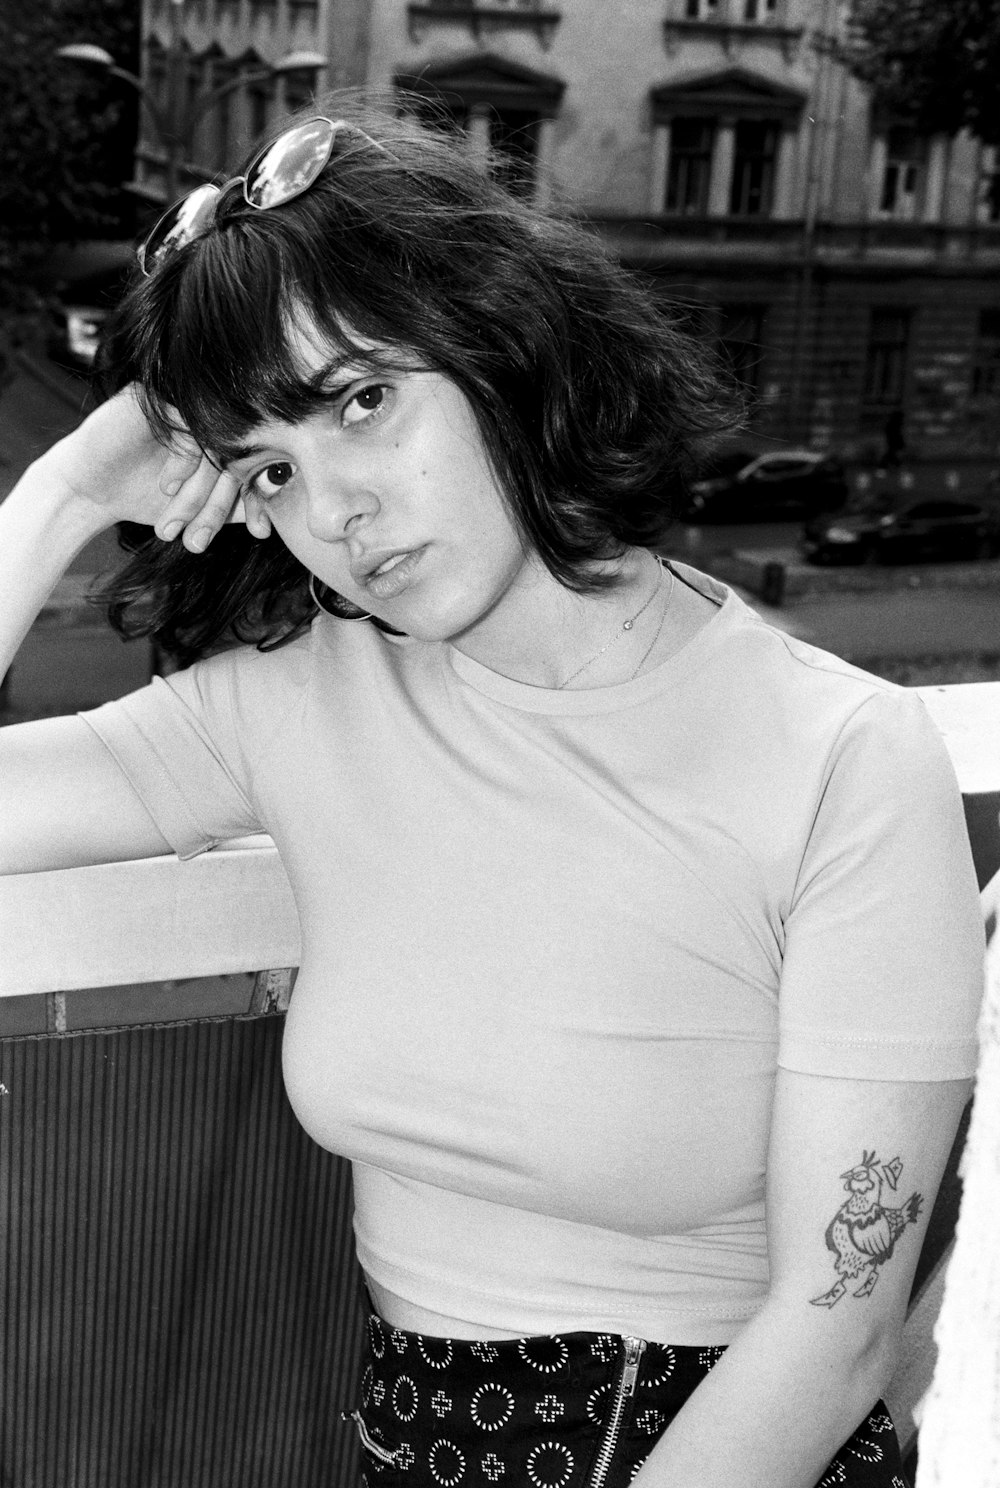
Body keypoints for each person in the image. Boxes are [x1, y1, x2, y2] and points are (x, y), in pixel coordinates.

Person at [0, 99, 985, 1488]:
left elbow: (835, 1329)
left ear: (501, 347)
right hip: (415, 1441)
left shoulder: (839, 756)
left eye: (363, 400)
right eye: (270, 467)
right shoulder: (296, 704)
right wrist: (61, 490)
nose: (334, 507)